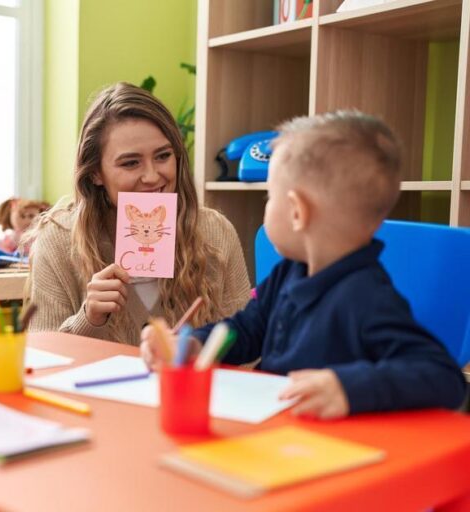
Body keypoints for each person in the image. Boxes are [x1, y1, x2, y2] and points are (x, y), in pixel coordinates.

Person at [141, 110, 467, 419]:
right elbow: (246, 329)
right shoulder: (290, 271)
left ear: (297, 212)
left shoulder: (366, 297)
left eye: (270, 197)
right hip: (272, 428)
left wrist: (347, 388)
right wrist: (197, 342)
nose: (267, 208)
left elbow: (443, 377)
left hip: (324, 453)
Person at [25, 82, 252, 345]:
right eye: (131, 163)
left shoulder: (215, 233)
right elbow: (44, 361)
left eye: (163, 156)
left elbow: (246, 351)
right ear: (96, 173)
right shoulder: (59, 240)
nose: (153, 176)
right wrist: (89, 319)